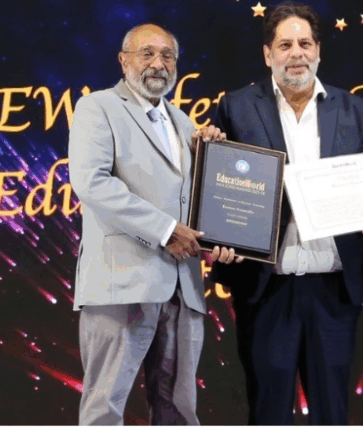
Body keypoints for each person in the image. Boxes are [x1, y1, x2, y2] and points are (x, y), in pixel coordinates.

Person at [209, 0, 363, 425]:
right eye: (285, 45)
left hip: (333, 289)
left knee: (332, 414)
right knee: (269, 414)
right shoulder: (236, 107)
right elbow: (220, 188)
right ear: (267, 54)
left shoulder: (353, 109)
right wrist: (221, 237)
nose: (297, 54)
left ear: (318, 51)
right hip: (266, 288)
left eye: (305, 44)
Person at [69, 23, 238, 425]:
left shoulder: (183, 122)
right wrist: (166, 230)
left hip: (183, 288)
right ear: (123, 61)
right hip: (121, 285)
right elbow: (91, 182)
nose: (158, 64)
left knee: (178, 412)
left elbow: (193, 201)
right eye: (147, 53)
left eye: (167, 55)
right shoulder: (97, 107)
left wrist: (224, 231)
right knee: (104, 410)